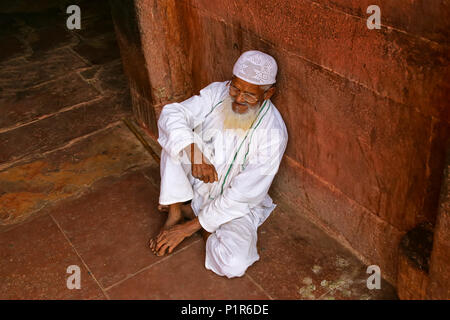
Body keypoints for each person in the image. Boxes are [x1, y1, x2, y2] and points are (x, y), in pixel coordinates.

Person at [149, 50, 288, 278]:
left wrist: (187, 230)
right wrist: (195, 154)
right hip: (200, 179)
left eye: (249, 95)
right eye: (235, 88)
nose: (238, 98)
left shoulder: (273, 133)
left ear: (268, 93)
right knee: (176, 137)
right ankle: (175, 212)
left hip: (237, 204)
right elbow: (172, 113)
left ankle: (194, 218)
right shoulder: (217, 92)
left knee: (234, 263)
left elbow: (243, 195)